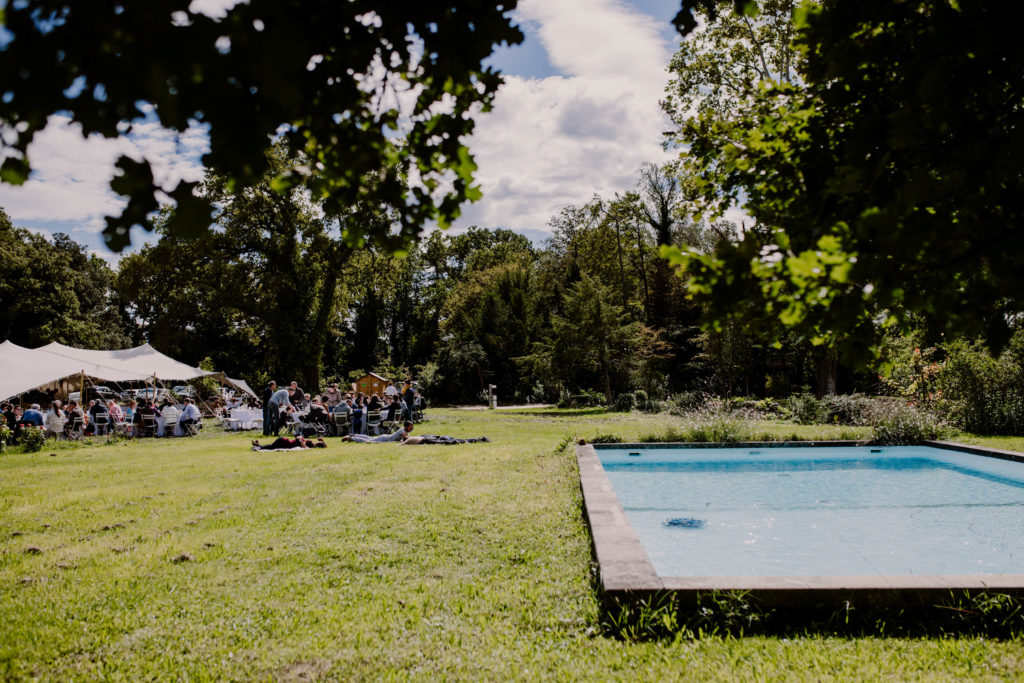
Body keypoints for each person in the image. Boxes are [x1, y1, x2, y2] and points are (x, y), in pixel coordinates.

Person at [342, 421, 413, 443]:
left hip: (386, 437)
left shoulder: (404, 430)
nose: (411, 428)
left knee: (369, 438)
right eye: (410, 426)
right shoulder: (402, 430)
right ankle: (351, 438)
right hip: (385, 439)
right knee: (368, 441)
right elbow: (405, 437)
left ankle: (354, 435)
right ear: (406, 426)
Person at [251, 435, 326, 450]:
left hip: (285, 442)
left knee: (271, 447)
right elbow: (298, 437)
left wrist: (301, 440)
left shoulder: (307, 445)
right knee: (271, 447)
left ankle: (258, 446)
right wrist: (322, 440)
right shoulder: (308, 444)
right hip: (285, 442)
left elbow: (304, 446)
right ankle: (258, 446)